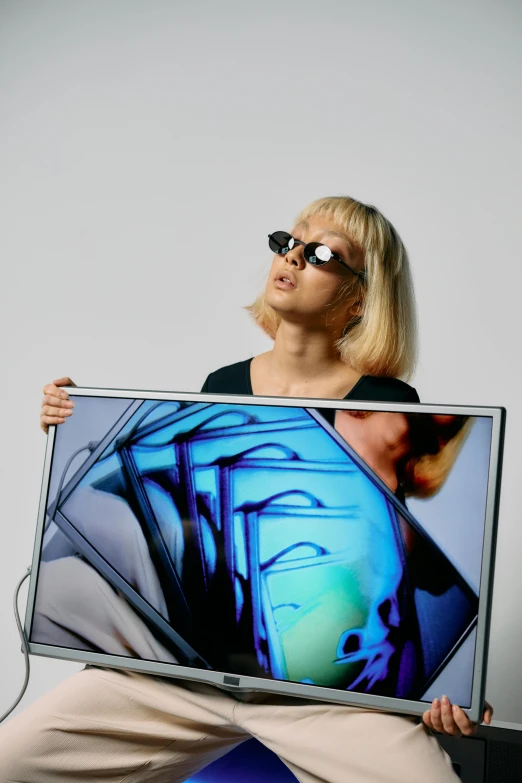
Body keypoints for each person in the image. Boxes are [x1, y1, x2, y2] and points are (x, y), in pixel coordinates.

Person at [0, 195, 493, 782]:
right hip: (185, 674)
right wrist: (83, 419)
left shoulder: (387, 405)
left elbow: (390, 563)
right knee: (15, 758)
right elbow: (176, 518)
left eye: (323, 254)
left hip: (317, 694)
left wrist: (453, 686)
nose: (294, 257)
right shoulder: (223, 384)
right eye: (288, 241)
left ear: (359, 297)